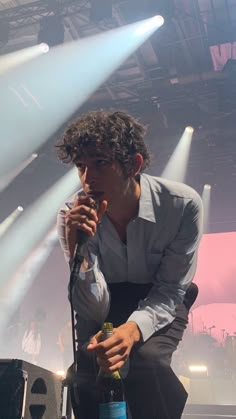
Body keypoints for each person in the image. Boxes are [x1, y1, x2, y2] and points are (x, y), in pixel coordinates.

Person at [56, 110, 203, 419]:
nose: (87, 177)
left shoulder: (182, 206)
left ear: (133, 165)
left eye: (100, 163)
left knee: (148, 363)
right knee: (85, 372)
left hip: (160, 295)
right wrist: (77, 251)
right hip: (105, 296)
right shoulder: (72, 214)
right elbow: (92, 308)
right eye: (80, 166)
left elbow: (170, 289)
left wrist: (134, 329)